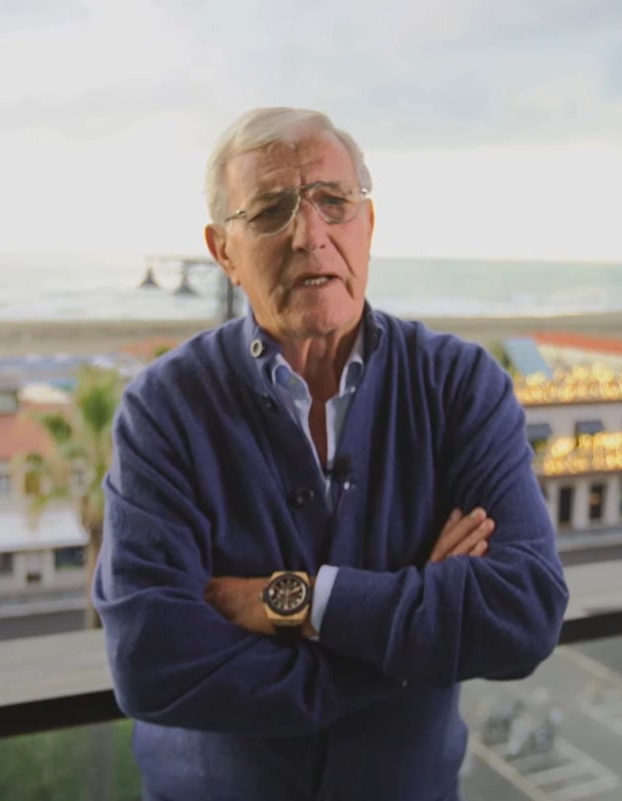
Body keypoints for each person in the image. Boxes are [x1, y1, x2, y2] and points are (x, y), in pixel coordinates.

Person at [94, 107, 569, 801]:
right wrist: (404, 646)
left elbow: (523, 612)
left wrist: (288, 602)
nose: (310, 234)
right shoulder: (165, 408)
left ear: (367, 224)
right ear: (223, 251)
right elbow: (153, 662)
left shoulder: (460, 385)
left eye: (333, 202)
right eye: (270, 211)